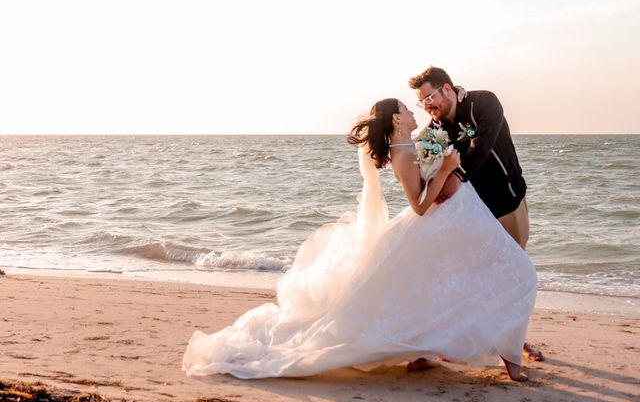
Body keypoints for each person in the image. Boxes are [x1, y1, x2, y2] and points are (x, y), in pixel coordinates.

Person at [182, 99, 537, 382]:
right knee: (514, 273)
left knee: (443, 287)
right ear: (396, 120)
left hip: (460, 217)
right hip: (447, 221)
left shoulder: (409, 145)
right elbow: (418, 206)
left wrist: (445, 167)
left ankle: (433, 352)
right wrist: (445, 170)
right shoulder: (402, 154)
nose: (413, 112)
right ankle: (507, 361)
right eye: (406, 109)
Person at [409, 65, 542, 361]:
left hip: (508, 202)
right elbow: (418, 152)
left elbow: (483, 147)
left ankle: (516, 342)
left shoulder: (484, 103)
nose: (427, 106)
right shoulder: (436, 128)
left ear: (447, 89)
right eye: (422, 102)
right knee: (467, 275)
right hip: (473, 210)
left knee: (513, 275)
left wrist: (456, 175)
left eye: (429, 97)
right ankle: (443, 344)